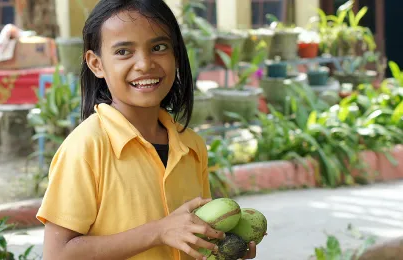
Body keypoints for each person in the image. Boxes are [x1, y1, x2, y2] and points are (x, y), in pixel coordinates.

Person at [36, 0, 257, 259]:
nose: (144, 63)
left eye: (158, 47)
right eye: (123, 52)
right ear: (96, 64)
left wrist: (223, 247)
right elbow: (58, 254)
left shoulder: (191, 146)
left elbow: (192, 235)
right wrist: (158, 231)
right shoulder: (85, 148)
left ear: (175, 54)